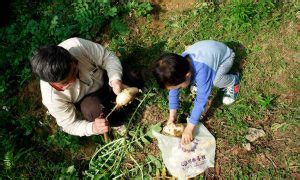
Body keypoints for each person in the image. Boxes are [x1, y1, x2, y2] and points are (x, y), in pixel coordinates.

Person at [31, 37, 128, 136]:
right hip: (89, 101)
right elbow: (69, 125)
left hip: (106, 79)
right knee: (92, 109)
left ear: (73, 59)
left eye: (74, 72)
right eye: (66, 83)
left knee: (133, 74)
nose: (73, 81)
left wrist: (115, 79)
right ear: (53, 84)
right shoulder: (51, 97)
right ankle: (117, 123)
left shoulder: (78, 46)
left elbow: (107, 57)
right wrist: (92, 128)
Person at [153, 40, 240, 144]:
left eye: (178, 86)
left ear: (187, 76)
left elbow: (201, 101)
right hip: (207, 51)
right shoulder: (177, 66)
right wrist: (172, 116)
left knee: (216, 81)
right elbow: (173, 91)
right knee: (200, 81)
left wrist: (189, 128)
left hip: (226, 57)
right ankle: (197, 82)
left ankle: (233, 81)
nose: (175, 89)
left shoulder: (203, 72)